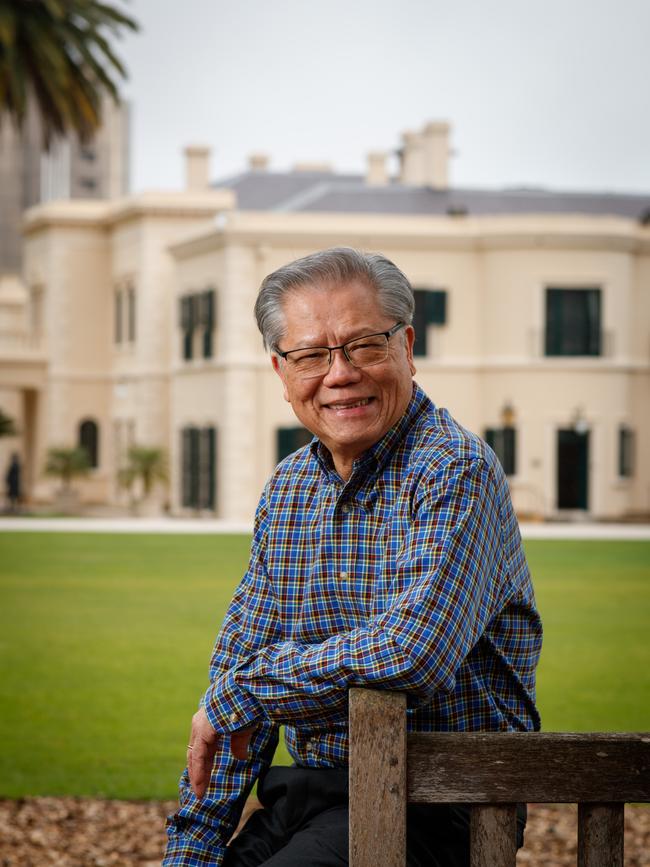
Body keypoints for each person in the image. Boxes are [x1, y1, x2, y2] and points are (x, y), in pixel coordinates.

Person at [164, 248, 543, 866]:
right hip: (311, 799)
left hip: (438, 804)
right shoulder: (288, 490)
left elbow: (412, 653)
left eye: (364, 345)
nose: (339, 374)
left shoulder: (454, 471)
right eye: (311, 355)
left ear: (407, 347)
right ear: (281, 371)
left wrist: (252, 691)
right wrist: (192, 848)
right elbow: (237, 669)